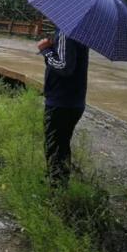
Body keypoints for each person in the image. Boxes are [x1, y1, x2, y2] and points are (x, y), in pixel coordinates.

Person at [37, 30, 89, 188]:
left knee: (54, 145)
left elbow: (65, 67)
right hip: (74, 101)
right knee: (62, 145)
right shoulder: (79, 33)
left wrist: (45, 51)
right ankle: (58, 181)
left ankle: (57, 188)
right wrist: (53, 47)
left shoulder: (66, 33)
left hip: (61, 101)